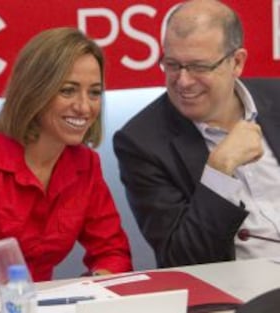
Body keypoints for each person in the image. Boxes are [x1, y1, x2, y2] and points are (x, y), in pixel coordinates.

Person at [0, 27, 132, 291]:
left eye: (94, 93)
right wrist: (8, 304)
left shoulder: (84, 164)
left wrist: (95, 288)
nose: (85, 107)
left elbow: (113, 252)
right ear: (34, 92)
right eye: (67, 91)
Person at [113, 0, 280, 268]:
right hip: (240, 297)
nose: (183, 81)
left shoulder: (276, 98)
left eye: (199, 67)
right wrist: (219, 170)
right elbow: (183, 260)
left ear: (236, 62)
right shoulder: (141, 142)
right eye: (172, 64)